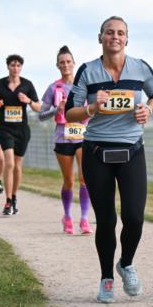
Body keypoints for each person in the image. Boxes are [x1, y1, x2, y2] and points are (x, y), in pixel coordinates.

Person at [65, 16, 153, 303]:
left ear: (127, 39)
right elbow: (71, 113)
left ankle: (126, 263)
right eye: (110, 32)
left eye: (121, 33)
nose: (115, 37)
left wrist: (149, 109)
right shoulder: (87, 71)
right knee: (106, 220)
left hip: (132, 149)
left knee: (134, 217)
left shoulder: (140, 68)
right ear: (100, 38)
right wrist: (93, 107)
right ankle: (106, 278)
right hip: (97, 152)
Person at [40, 46, 92, 234]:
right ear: (57, 65)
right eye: (62, 62)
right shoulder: (53, 88)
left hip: (83, 136)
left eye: (68, 62)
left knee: (84, 179)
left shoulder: (83, 86)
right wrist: (57, 109)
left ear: (73, 63)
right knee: (69, 181)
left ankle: (84, 219)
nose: (65, 65)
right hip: (63, 138)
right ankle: (67, 216)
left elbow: (94, 108)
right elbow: (41, 115)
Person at [0, 55, 41, 215]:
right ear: (8, 66)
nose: (15, 68)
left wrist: (28, 101)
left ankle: (14, 196)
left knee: (17, 166)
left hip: (22, 130)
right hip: (5, 129)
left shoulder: (27, 84)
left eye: (18, 65)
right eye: (12, 65)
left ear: (21, 67)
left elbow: (39, 107)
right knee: (9, 163)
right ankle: (8, 200)